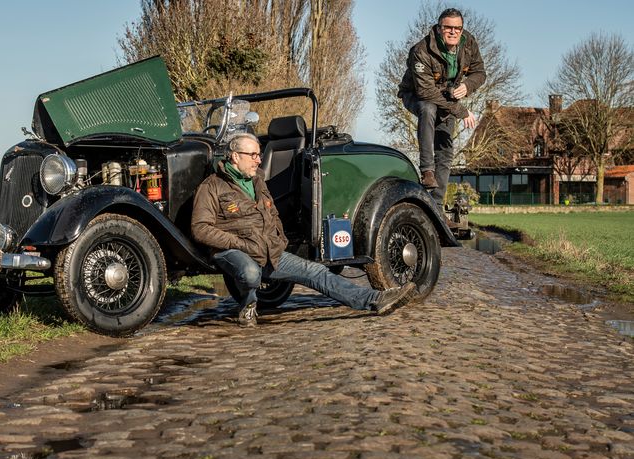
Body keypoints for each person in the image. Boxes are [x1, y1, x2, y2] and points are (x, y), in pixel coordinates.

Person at [191, 132, 417, 327]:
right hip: (232, 251)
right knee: (251, 273)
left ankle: (375, 300)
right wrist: (240, 244)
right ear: (235, 156)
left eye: (259, 155)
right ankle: (248, 305)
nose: (259, 160)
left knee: (316, 272)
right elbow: (200, 229)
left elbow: (272, 213)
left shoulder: (258, 181)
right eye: (253, 155)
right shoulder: (212, 186)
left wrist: (279, 238)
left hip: (268, 251)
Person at [398, 7, 486, 213]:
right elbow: (426, 92)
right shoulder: (421, 51)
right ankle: (427, 170)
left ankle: (436, 208)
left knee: (445, 150)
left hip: (447, 97)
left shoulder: (469, 43)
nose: (453, 32)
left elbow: (480, 73)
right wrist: (461, 111)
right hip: (417, 95)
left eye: (458, 28)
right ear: (439, 28)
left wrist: (468, 85)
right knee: (428, 109)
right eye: (448, 27)